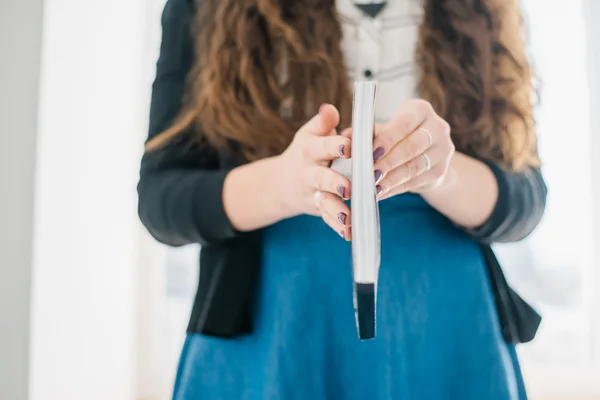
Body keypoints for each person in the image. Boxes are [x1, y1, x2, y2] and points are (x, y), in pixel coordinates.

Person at [138, 0, 547, 398]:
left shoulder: (485, 8)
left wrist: (440, 172)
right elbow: (161, 201)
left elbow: (527, 201)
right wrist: (283, 183)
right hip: (272, 327)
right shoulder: (203, 6)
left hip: (449, 330)